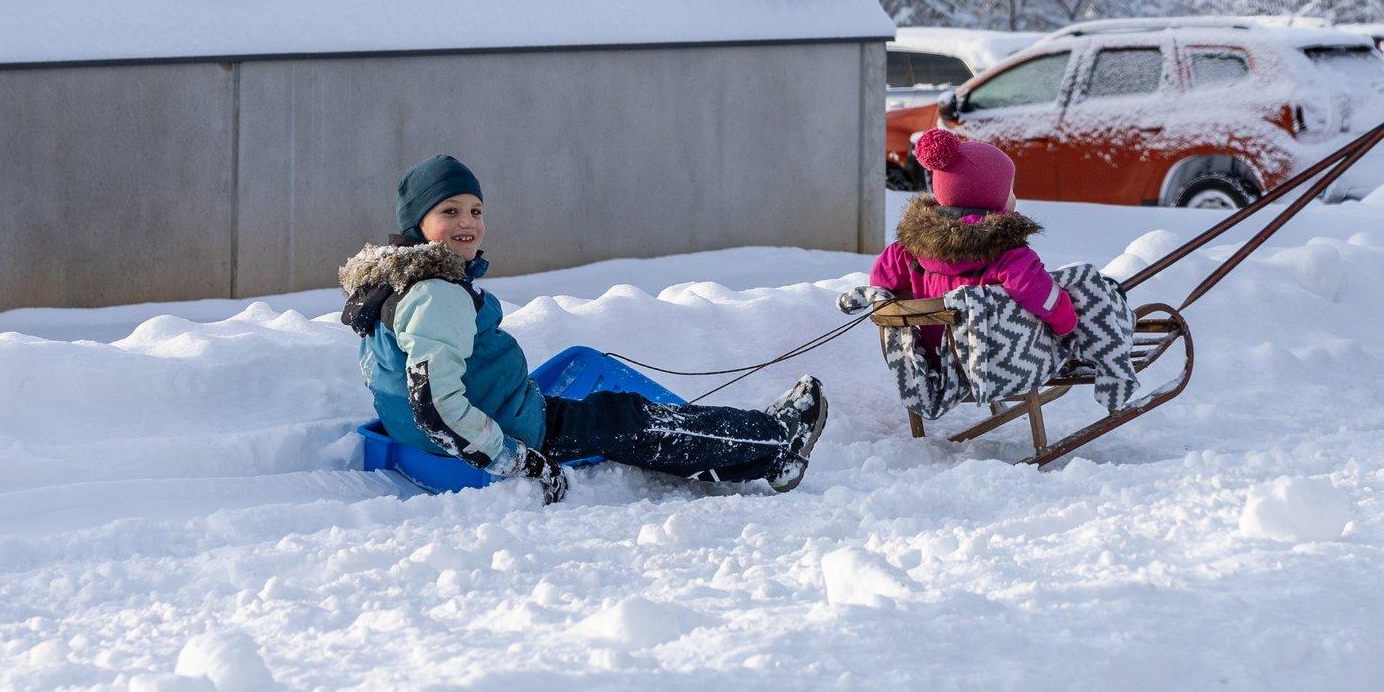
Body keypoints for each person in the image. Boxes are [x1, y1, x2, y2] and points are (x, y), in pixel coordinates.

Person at [342, 154, 827, 500]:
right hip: (508, 430)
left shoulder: (396, 282)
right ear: (417, 225)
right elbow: (435, 406)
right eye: (449, 212)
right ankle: (775, 445)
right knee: (630, 421)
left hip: (480, 414)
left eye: (476, 210)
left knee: (596, 395)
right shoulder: (438, 293)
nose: (469, 222)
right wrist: (517, 458)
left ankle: (755, 441)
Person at [870, 129, 1076, 339]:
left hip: (931, 357)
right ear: (990, 197)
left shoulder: (904, 251)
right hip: (989, 360)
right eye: (1010, 190)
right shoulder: (1006, 252)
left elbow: (882, 286)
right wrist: (1066, 321)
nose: (1014, 196)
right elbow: (1039, 293)